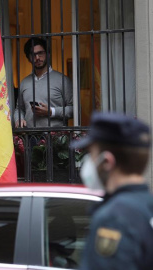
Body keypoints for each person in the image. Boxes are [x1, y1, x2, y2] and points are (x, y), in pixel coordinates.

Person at [71, 111, 153, 270]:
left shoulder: (113, 218)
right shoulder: (146, 205)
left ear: (107, 162)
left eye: (92, 155)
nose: (89, 163)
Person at [14, 37, 73, 128]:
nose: (37, 58)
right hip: (30, 138)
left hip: (55, 138)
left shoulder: (62, 80)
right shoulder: (24, 82)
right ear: (29, 58)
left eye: (40, 53)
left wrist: (51, 111)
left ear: (48, 54)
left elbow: (74, 109)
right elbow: (19, 109)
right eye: (33, 55)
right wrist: (19, 119)